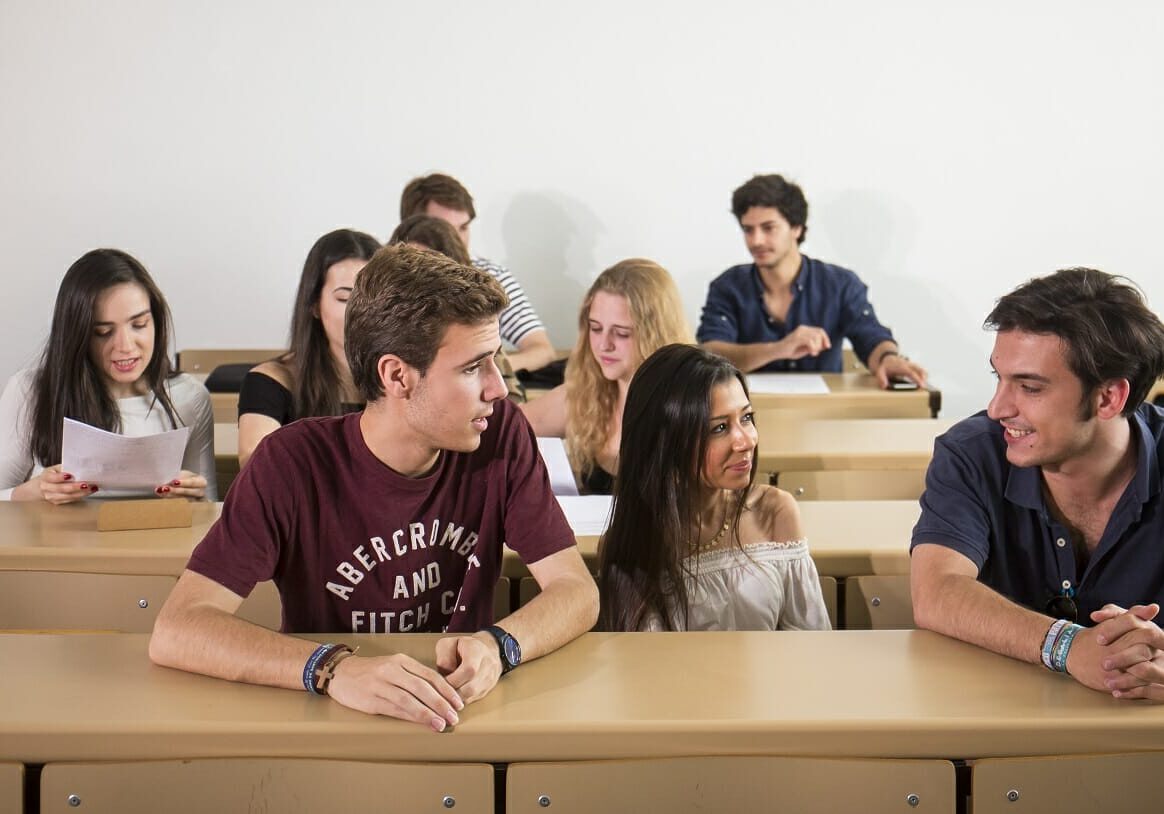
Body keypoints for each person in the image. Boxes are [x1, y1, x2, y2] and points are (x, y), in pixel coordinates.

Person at [150, 244, 599, 731]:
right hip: (331, 719)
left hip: (460, 720)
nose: (497, 388)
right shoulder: (290, 463)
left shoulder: (500, 432)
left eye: (494, 362)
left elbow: (576, 590)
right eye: (473, 368)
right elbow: (178, 629)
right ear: (396, 376)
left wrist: (498, 645)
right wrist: (334, 668)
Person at [911, 268, 1164, 701]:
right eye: (998, 378)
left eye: (1029, 387)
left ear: (1109, 398)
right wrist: (1068, 646)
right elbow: (936, 591)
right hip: (1000, 731)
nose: (996, 409)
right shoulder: (970, 453)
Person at [597, 344, 830, 631]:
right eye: (719, 428)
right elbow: (640, 667)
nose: (746, 441)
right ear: (667, 444)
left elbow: (810, 646)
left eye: (746, 418)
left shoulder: (775, 512)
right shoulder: (635, 541)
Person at [0, 249, 215, 502]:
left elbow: (211, 511)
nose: (125, 346)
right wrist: (36, 492)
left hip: (154, 541)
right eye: (103, 332)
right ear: (77, 337)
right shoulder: (31, 390)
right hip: (54, 541)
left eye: (139, 325)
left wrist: (194, 498)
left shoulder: (189, 396)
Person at [698, 173, 927, 387]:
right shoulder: (727, 286)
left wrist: (888, 358)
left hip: (825, 415)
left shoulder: (840, 283)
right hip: (750, 419)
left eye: (768, 228)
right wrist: (780, 349)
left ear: (796, 228)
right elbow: (709, 355)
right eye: (748, 230)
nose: (756, 240)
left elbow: (870, 335)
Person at [520, 259, 691, 494]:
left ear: (656, 334)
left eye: (621, 333)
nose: (603, 345)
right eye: (596, 328)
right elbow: (504, 429)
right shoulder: (587, 394)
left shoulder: (692, 404)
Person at [236, 229, 380, 468]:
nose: (361, 313)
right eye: (344, 299)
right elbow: (256, 467)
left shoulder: (402, 380)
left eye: (373, 299)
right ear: (314, 304)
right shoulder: (271, 382)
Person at [400, 173, 556, 373]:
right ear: (413, 227)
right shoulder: (382, 280)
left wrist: (481, 370)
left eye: (463, 228)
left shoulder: (492, 277)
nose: (458, 240)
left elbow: (542, 350)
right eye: (444, 229)